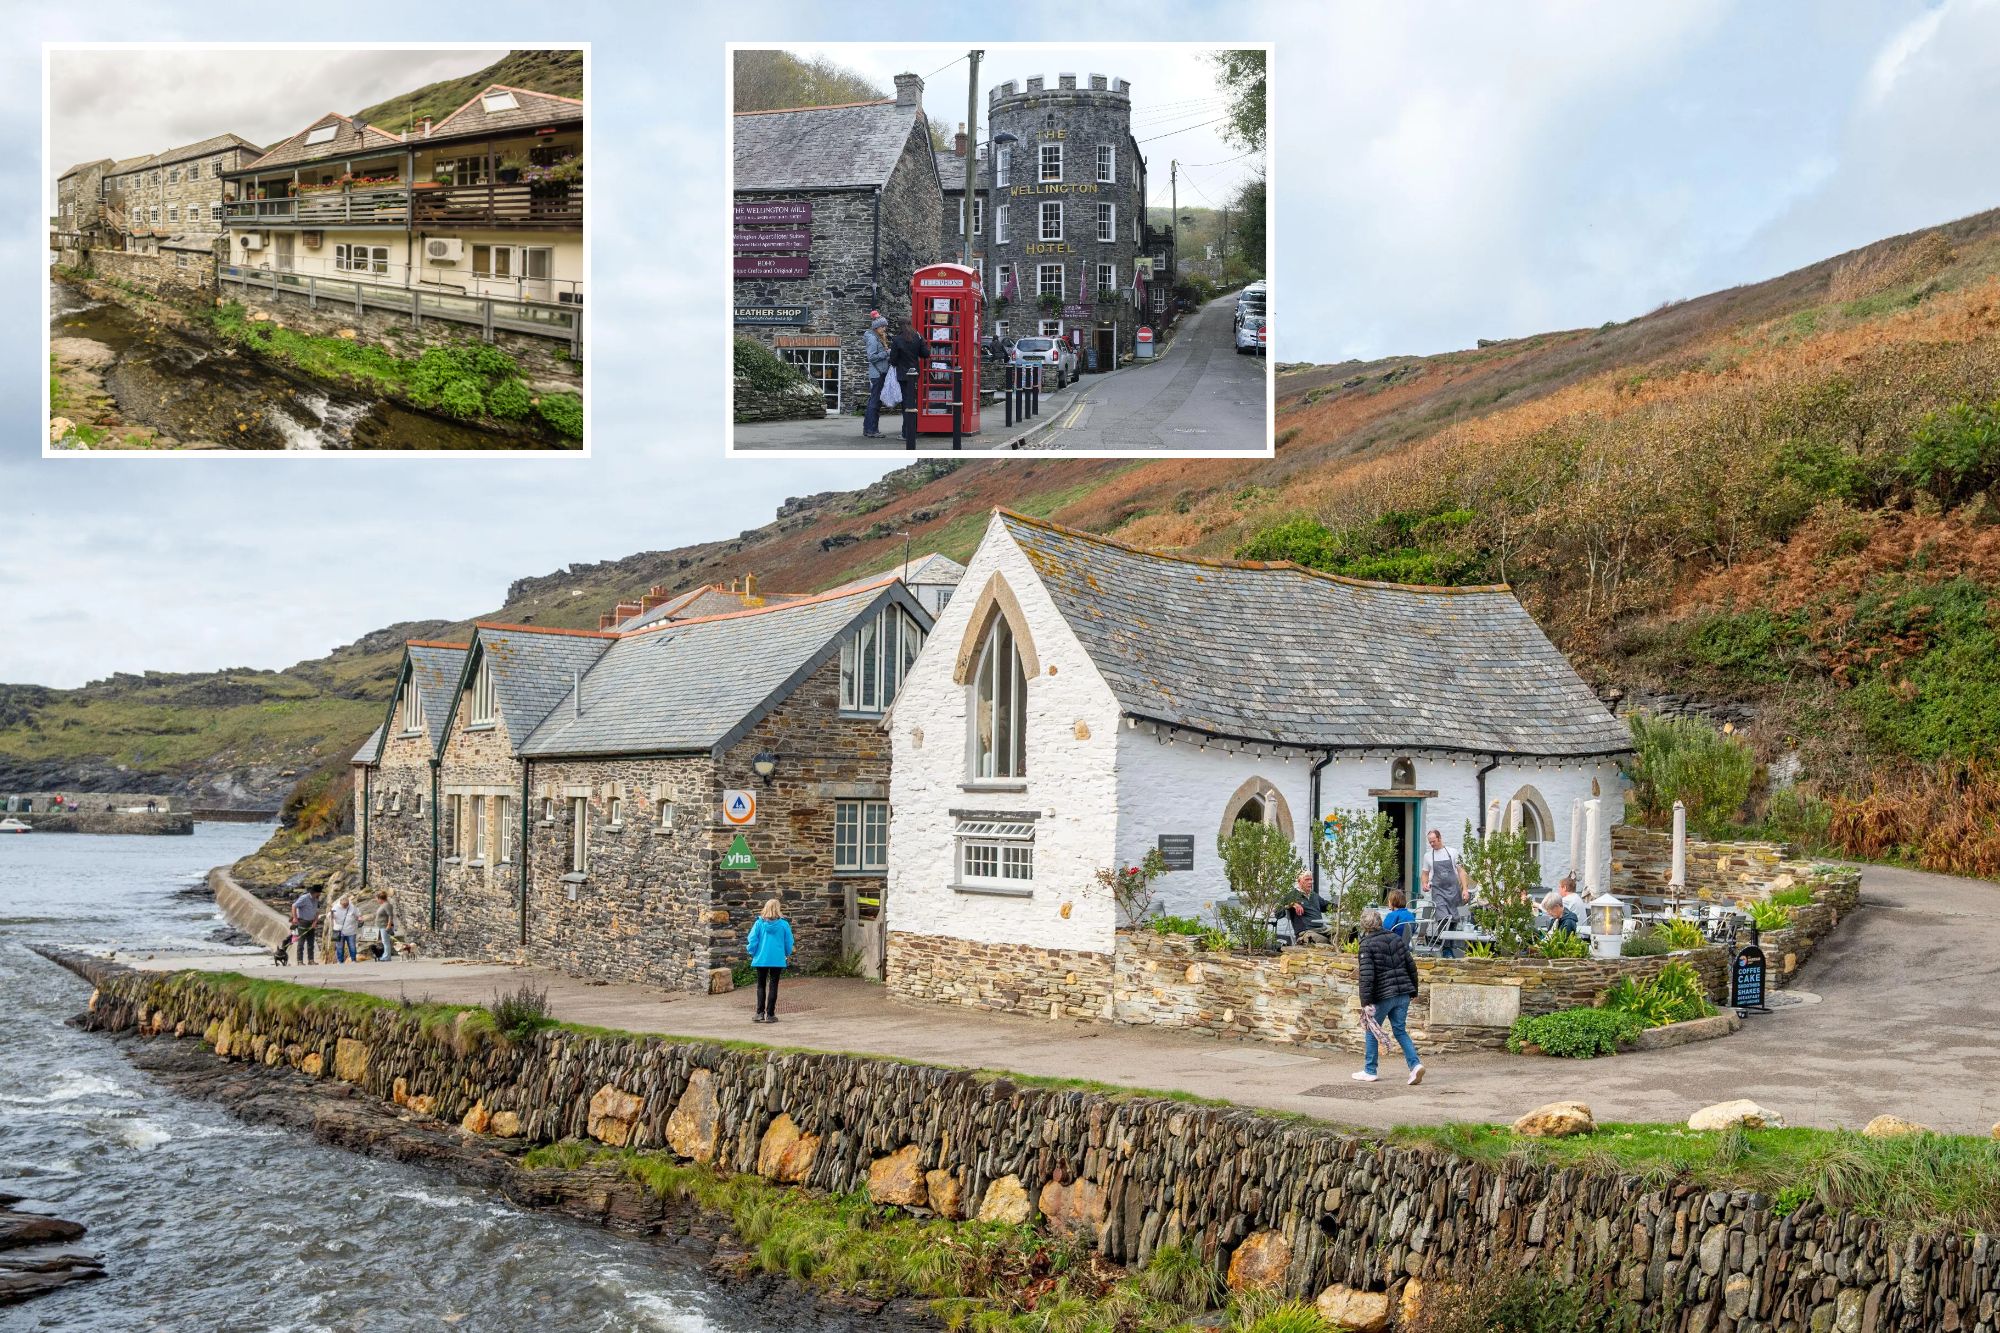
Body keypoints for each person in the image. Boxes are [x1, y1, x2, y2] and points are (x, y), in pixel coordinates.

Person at [1354, 907, 1425, 1085]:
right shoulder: (1396, 938)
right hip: (1403, 993)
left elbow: (1367, 976)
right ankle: (1415, 1065)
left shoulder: (1366, 944)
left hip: (1383, 995)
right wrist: (1413, 990)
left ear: (1364, 926)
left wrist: (1366, 1001)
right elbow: (1411, 966)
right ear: (1380, 922)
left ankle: (1370, 1070)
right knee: (1400, 1030)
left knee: (1371, 1029)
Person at [746, 898, 794, 1023]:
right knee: (773, 986)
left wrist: (752, 952)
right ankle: (770, 1015)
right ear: (778, 909)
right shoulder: (784, 924)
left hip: (761, 958)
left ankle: (759, 1013)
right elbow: (789, 942)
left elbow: (752, 940)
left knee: (761, 985)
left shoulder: (759, 923)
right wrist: (786, 953)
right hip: (777, 959)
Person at [1420, 830, 1467, 957]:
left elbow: (1461, 871)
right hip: (1438, 892)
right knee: (1443, 919)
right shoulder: (1428, 856)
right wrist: (1424, 884)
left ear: (1440, 838)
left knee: (1454, 920)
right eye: (1430, 842)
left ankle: (1448, 947)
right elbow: (1424, 874)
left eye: (1433, 841)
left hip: (1454, 891)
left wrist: (1465, 889)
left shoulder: (1452, 852)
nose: (1432, 844)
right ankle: (1446, 950)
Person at [888, 316, 927, 447]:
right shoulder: (918, 337)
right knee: (913, 403)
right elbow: (925, 354)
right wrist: (922, 342)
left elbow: (893, 360)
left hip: (903, 376)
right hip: (915, 374)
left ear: (899, 326)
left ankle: (906, 433)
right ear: (910, 324)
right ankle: (913, 430)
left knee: (906, 404)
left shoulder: (897, 339)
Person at [861, 316, 891, 438]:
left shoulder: (877, 337)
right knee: (875, 402)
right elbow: (872, 357)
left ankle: (868, 428)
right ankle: (872, 430)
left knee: (873, 401)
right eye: (883, 326)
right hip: (877, 374)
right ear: (876, 327)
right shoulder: (873, 339)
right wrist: (886, 353)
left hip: (879, 373)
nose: (884, 329)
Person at [1284, 872, 1330, 945]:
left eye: (1311, 879)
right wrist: (1292, 904)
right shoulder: (1292, 895)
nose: (1310, 882)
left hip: (1322, 929)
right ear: (1299, 881)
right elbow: (1278, 911)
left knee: (1344, 933)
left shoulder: (1314, 895)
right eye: (1307, 879)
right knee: (1323, 941)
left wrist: (1344, 906)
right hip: (1305, 932)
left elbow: (1327, 906)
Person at [290, 885, 320, 965]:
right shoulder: (304, 898)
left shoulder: (316, 899)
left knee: (311, 943)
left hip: (312, 922)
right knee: (301, 943)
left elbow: (317, 911)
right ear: (315, 892)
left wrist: (315, 921)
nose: (320, 894)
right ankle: (300, 961)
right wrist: (295, 918)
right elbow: (294, 906)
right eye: (319, 893)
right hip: (302, 922)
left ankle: (311, 960)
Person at [331, 894, 360, 964]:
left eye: (346, 905)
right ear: (340, 903)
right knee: (339, 947)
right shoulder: (335, 907)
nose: (345, 906)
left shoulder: (352, 907)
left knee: (352, 946)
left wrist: (359, 918)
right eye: (344, 905)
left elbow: (358, 915)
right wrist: (331, 914)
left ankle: (353, 960)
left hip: (351, 930)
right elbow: (330, 916)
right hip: (339, 931)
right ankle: (340, 961)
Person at [371, 892, 396, 962]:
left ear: (380, 898)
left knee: (386, 942)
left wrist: (389, 925)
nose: (376, 900)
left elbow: (390, 916)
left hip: (385, 926)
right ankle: (385, 956)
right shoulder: (383, 905)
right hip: (381, 926)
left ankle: (386, 957)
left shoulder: (387, 905)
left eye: (377, 899)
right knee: (384, 941)